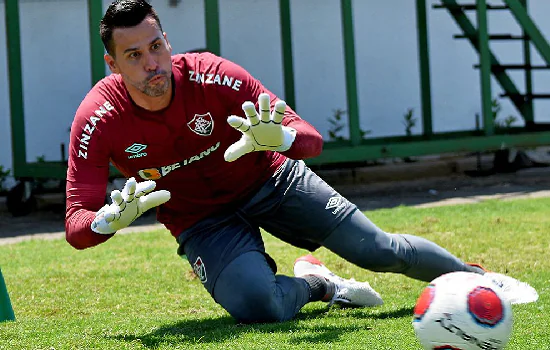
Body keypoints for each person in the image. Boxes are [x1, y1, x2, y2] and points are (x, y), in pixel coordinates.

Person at [65, 0, 538, 324]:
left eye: (157, 47)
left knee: (379, 250)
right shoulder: (97, 117)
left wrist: (282, 136)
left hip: (271, 179)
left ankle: (481, 281)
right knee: (259, 306)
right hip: (200, 220)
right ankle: (317, 284)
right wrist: (106, 221)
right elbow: (76, 224)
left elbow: (311, 139)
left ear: (166, 40)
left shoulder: (215, 76)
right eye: (134, 55)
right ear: (113, 65)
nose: (153, 64)